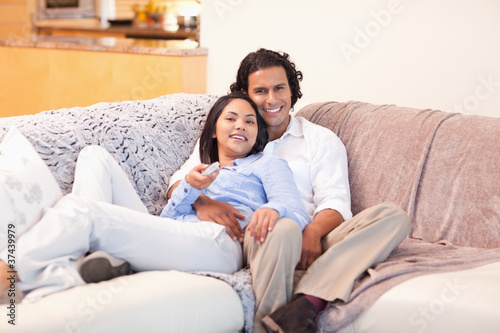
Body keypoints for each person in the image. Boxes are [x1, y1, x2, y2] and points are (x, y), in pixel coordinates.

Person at [168, 48, 412, 333]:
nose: (271, 100)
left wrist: (313, 232)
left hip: (312, 239)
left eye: (279, 88)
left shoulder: (319, 140)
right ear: (246, 94)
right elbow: (181, 181)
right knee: (280, 228)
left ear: (292, 91)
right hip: (258, 234)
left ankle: (305, 304)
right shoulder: (234, 135)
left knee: (393, 217)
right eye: (260, 91)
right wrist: (203, 203)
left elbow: (335, 202)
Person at [0, 91, 309, 305]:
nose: (241, 124)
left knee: (82, 212)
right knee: (94, 156)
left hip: (220, 243)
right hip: (174, 230)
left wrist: (271, 209)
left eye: (250, 121)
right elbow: (170, 216)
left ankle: (8, 269)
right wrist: (192, 188)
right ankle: (80, 266)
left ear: (257, 135)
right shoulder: (200, 167)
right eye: (231, 118)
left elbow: (295, 209)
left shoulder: (268, 163)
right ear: (214, 130)